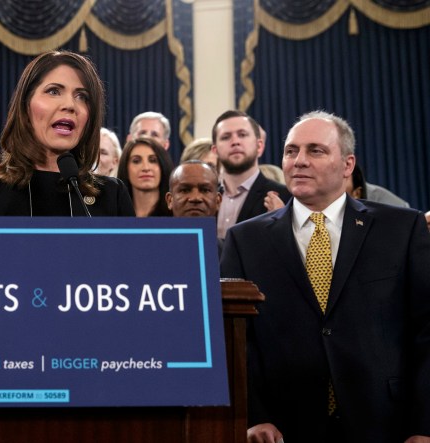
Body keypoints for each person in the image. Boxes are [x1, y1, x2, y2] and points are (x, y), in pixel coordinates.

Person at [220, 111, 430, 442]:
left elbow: (425, 332)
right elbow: (235, 340)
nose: (299, 161)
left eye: (315, 150)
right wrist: (255, 415)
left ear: (347, 165)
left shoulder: (402, 229)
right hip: (284, 429)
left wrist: (423, 426)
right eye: (291, 151)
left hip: (386, 423)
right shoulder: (245, 240)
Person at [0, 50, 134, 217]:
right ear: (25, 106)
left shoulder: (111, 195)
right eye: (53, 91)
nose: (70, 105)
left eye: (82, 96)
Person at [211, 110, 291, 238]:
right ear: (215, 150)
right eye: (226, 137)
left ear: (259, 146)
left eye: (242, 135)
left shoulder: (285, 197)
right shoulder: (206, 197)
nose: (235, 141)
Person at [117, 137, 173, 217]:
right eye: (136, 161)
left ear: (163, 166)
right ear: (125, 169)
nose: (146, 168)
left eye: (153, 160)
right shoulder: (113, 214)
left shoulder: (176, 215)